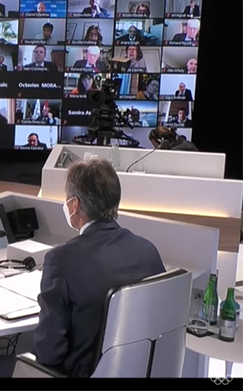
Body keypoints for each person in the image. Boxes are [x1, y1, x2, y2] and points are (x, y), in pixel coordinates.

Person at [34, 158, 166, 376]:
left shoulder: (61, 260)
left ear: (75, 205)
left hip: (82, 373)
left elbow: (48, 353)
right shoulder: (148, 251)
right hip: (137, 370)